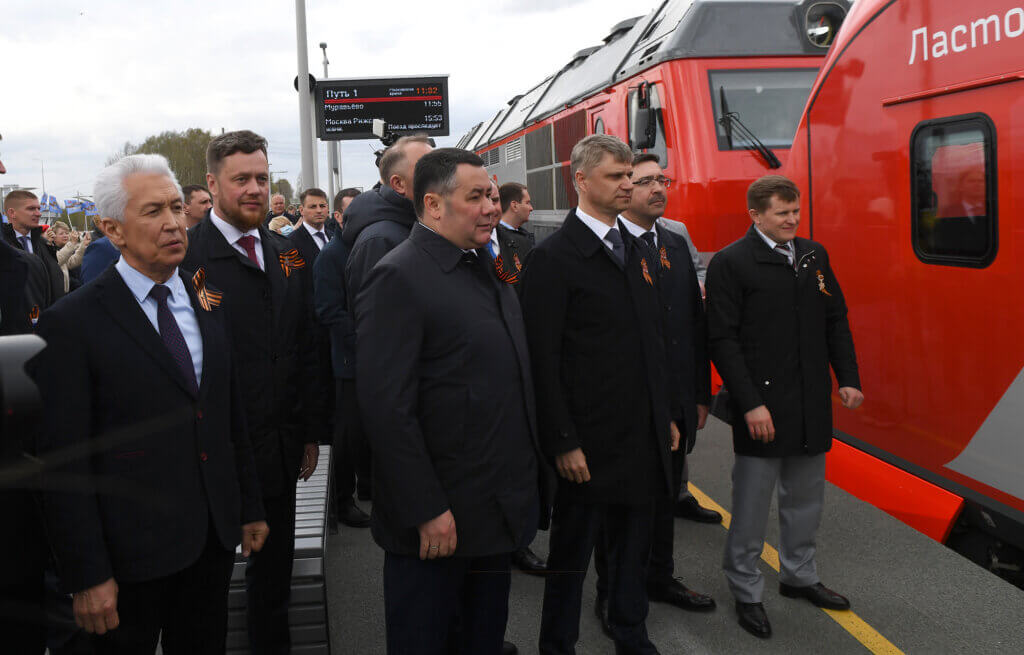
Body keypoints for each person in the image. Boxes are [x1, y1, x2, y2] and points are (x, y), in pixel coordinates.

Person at [30, 153, 268, 654]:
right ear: (112, 229)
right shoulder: (71, 323)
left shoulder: (206, 298)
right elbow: (61, 462)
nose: (173, 223)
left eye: (177, 208)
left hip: (209, 541)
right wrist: (86, 574)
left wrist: (247, 506)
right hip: (126, 560)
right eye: (153, 211)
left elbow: (227, 414)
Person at [356, 148, 547, 655]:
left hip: (492, 512)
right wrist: (426, 508)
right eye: (476, 197)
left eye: (491, 195)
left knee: (481, 639)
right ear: (434, 206)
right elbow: (386, 407)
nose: (490, 206)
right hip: (438, 524)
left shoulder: (485, 264)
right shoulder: (398, 275)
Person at [521, 135, 679, 655]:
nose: (628, 185)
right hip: (585, 447)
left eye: (629, 175)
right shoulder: (553, 259)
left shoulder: (637, 251)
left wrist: (667, 416)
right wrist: (562, 441)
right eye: (616, 176)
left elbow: (654, 343)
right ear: (581, 181)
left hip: (640, 437)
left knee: (632, 554)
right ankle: (557, 644)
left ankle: (632, 637)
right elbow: (542, 362)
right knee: (571, 561)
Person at [182, 130, 328, 654]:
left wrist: (311, 430)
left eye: (261, 178)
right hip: (212, 458)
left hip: (278, 450)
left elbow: (305, 344)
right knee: (204, 599)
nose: (254, 189)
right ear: (212, 183)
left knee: (274, 586)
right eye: (240, 178)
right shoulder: (185, 260)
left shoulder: (286, 252)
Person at [706, 174, 863, 639]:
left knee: (805, 500)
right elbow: (722, 340)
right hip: (763, 409)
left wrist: (848, 379)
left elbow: (836, 319)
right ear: (755, 214)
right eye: (782, 213)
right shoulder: (732, 263)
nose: (793, 220)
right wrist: (750, 403)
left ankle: (799, 576)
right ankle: (746, 590)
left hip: (811, 402)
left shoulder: (814, 255)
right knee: (752, 506)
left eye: (796, 211)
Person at [592, 152, 714, 628]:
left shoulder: (675, 243)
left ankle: (659, 577)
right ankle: (610, 592)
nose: (656, 189)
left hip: (679, 399)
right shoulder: (611, 247)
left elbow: (692, 323)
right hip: (635, 406)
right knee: (620, 508)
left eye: (661, 180)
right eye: (643, 182)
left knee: (666, 498)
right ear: (624, 192)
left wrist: (701, 394)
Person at [314, 188, 372, 529]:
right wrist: (361, 341)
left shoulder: (363, 247)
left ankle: (368, 486)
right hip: (348, 362)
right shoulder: (332, 256)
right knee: (346, 436)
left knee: (367, 430)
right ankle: (342, 500)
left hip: (367, 357)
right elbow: (328, 310)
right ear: (340, 217)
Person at [341, 135, 433, 304]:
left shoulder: (417, 223)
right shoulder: (379, 242)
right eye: (428, 169)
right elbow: (379, 320)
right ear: (398, 183)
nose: (441, 176)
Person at [2, 190, 65, 304]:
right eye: (31, 209)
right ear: (12, 213)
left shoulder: (44, 244)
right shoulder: (3, 248)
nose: (38, 213)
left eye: (38, 209)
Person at [289, 188, 330, 263]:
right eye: (313, 207)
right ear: (301, 210)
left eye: (322, 206)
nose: (319, 211)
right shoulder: (291, 242)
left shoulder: (333, 236)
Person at [52, 222, 90, 293]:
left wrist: (83, 245)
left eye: (66, 233)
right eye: (61, 233)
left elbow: (72, 262)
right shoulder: (51, 249)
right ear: (54, 237)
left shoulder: (67, 248)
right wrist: (72, 243)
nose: (65, 235)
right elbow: (58, 260)